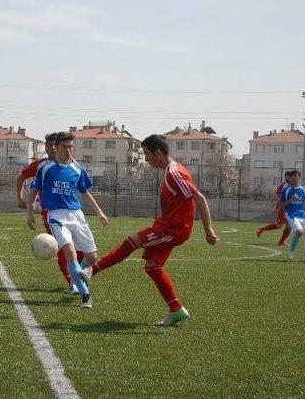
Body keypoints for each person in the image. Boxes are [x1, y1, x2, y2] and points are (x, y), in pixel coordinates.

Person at [80, 134, 218, 326]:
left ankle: (91, 271)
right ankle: (176, 310)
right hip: (167, 227)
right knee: (152, 266)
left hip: (172, 230)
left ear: (158, 152)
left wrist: (208, 230)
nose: (146, 158)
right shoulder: (172, 171)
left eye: (147, 153)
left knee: (131, 241)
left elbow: (199, 199)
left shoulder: (174, 174)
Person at [26, 132, 109, 308]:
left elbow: (85, 193)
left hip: (77, 215)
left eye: (70, 147)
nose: (68, 150)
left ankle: (77, 274)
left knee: (92, 258)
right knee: (70, 251)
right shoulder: (46, 168)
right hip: (56, 215)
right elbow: (34, 190)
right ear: (56, 148)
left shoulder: (77, 169)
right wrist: (30, 212)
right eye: (64, 147)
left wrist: (99, 212)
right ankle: (85, 295)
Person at [17, 132, 84, 294]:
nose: (53, 148)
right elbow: (22, 176)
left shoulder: (73, 164)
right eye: (49, 145)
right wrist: (21, 198)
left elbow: (82, 187)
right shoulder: (41, 165)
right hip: (51, 213)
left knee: (80, 249)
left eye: (55, 145)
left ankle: (78, 274)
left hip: (72, 213)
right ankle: (72, 282)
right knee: (63, 247)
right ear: (46, 147)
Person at [280, 169, 305, 263]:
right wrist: (290, 201)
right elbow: (282, 205)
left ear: (299, 177)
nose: (293, 178)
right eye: (292, 176)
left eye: (295, 176)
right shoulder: (286, 190)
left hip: (303, 215)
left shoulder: (303, 189)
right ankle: (291, 253)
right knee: (299, 231)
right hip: (291, 215)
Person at [256, 171, 291, 245]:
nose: (290, 178)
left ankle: (281, 241)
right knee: (280, 225)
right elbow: (275, 193)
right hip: (282, 208)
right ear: (286, 177)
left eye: (291, 176)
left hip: (289, 208)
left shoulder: (293, 185)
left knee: (289, 225)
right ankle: (262, 229)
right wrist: (280, 202)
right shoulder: (284, 185)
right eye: (288, 176)